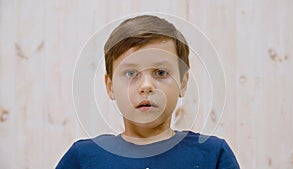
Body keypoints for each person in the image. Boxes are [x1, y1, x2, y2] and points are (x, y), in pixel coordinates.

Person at [56, 15, 240, 169]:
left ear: (183, 83)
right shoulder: (82, 158)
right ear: (110, 86)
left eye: (160, 73)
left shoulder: (213, 155)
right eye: (130, 73)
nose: (146, 86)